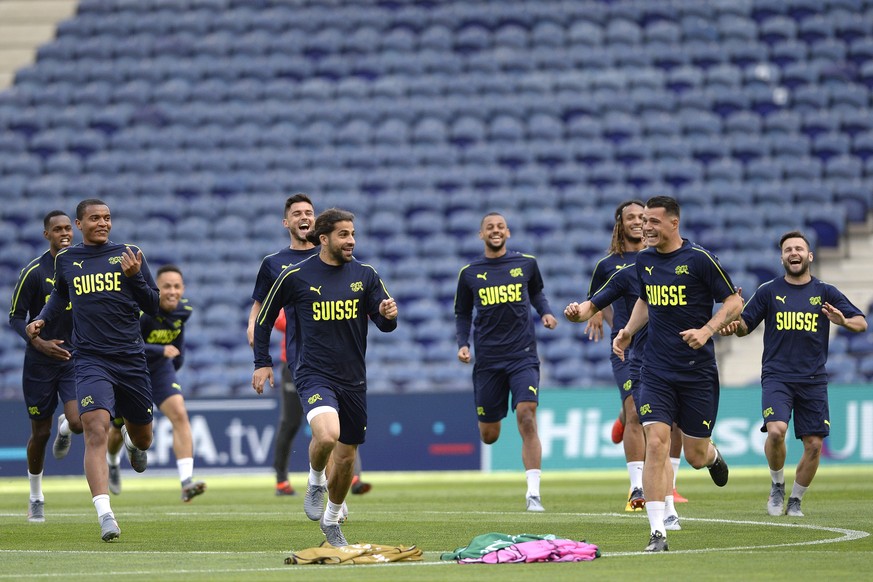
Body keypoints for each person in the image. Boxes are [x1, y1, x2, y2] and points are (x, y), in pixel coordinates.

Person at [252, 208, 398, 547]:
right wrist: (262, 362)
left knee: (347, 459)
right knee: (328, 435)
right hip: (312, 373)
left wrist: (389, 315)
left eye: (353, 234)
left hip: (353, 378)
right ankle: (316, 479)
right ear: (324, 238)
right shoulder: (295, 276)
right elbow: (263, 319)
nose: (351, 241)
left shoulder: (366, 275)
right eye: (344, 235)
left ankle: (332, 519)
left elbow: (384, 323)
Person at [612, 196, 743, 552]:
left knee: (695, 456)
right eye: (643, 222)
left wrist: (707, 330)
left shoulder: (699, 259)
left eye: (653, 221)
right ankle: (658, 531)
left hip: (697, 372)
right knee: (656, 442)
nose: (645, 227)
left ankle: (713, 456)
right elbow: (644, 299)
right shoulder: (644, 260)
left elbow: (734, 302)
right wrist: (628, 330)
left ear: (673, 223)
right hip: (655, 368)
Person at [26, 199, 159, 542]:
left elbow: (154, 306)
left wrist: (135, 279)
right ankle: (106, 515)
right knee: (95, 429)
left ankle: (134, 443)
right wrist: (42, 317)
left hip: (130, 360)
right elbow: (59, 295)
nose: (103, 223)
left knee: (144, 436)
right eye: (95, 218)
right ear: (79, 224)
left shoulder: (130, 254)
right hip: (90, 360)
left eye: (107, 218)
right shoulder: (67, 260)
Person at [719, 231, 866, 517]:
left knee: (813, 445)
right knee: (776, 431)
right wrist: (732, 323)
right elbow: (744, 327)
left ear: (809, 256)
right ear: (782, 257)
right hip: (777, 376)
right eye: (788, 249)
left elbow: (861, 323)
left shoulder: (825, 291)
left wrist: (843, 320)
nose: (794, 253)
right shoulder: (768, 291)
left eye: (799, 248)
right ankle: (777, 485)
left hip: (813, 379)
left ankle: (796, 499)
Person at [246, 194, 371, 498]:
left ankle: (338, 492)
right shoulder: (275, 264)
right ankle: (288, 478)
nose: (305, 217)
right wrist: (256, 339)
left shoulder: (333, 256)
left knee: (336, 431)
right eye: (298, 213)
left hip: (338, 360)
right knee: (301, 424)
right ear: (286, 222)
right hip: (298, 359)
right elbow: (261, 308)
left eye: (310, 212)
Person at [565, 227, 683, 532]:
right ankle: (640, 489)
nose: (639, 225)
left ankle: (668, 485)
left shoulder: (670, 265)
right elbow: (596, 298)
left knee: (667, 421)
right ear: (621, 223)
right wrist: (592, 313)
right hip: (631, 350)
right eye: (632, 218)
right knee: (639, 412)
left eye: (643, 220)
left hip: (667, 351)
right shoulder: (613, 266)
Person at [454, 212, 558, 512]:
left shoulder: (526, 264)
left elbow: (537, 292)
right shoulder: (470, 273)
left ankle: (533, 494)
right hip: (488, 360)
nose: (495, 231)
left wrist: (546, 312)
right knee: (490, 435)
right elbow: (462, 313)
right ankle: (491, 420)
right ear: (481, 234)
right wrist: (463, 344)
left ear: (508, 233)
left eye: (500, 227)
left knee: (527, 415)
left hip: (522, 355)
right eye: (490, 227)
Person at [105, 264, 206, 502]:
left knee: (180, 414)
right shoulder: (141, 313)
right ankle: (111, 464)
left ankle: (186, 482)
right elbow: (126, 344)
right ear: (155, 289)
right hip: (131, 370)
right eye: (166, 286)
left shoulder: (184, 310)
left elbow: (178, 339)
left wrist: (174, 361)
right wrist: (160, 350)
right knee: (119, 430)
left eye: (177, 286)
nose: (172, 291)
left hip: (161, 371)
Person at [9, 210, 83, 522]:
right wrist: (38, 343)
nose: (65, 233)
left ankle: (67, 427)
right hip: (39, 362)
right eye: (58, 229)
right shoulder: (35, 272)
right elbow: (15, 317)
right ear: (47, 234)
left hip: (71, 358)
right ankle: (36, 495)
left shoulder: (82, 266)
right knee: (40, 433)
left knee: (79, 422)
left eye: (68, 228)